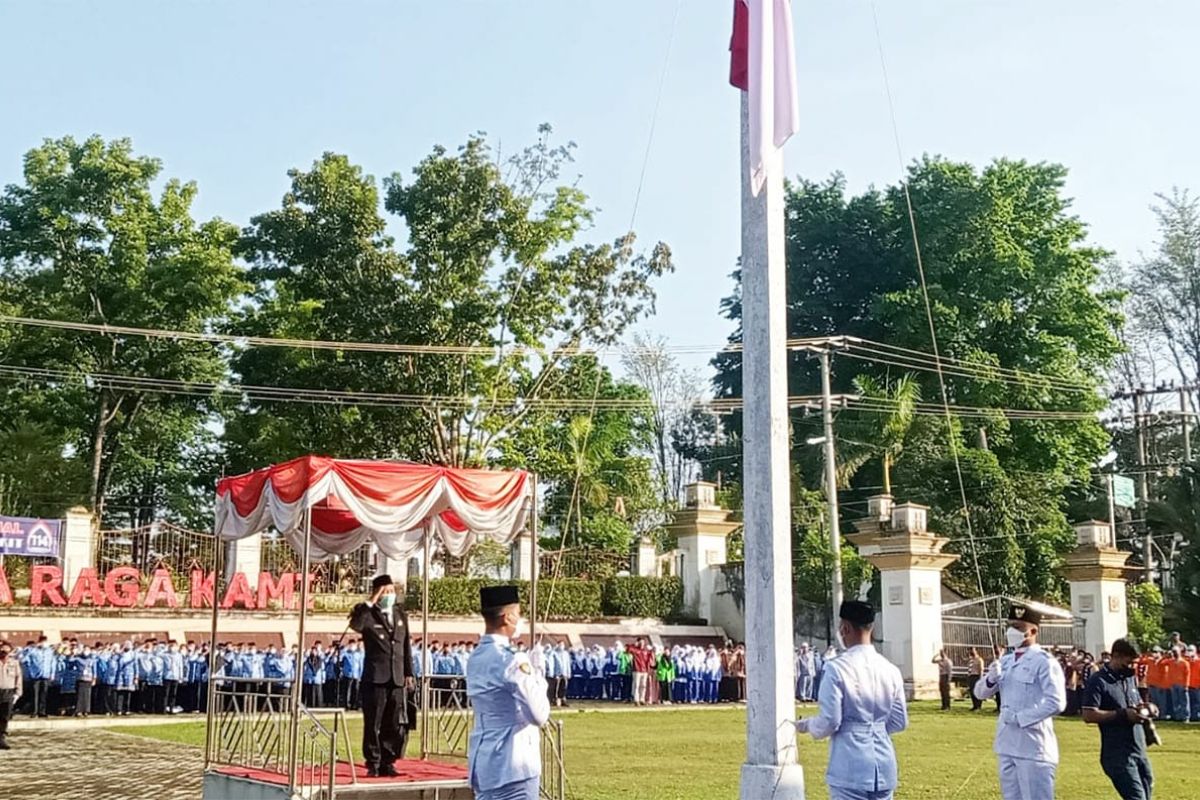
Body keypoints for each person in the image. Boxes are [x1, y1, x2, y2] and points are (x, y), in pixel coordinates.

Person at [796, 601, 908, 800]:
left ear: (845, 628)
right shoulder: (891, 670)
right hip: (883, 762)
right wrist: (875, 728)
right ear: (871, 628)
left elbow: (830, 721)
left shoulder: (836, 668)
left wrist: (808, 725)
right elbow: (899, 721)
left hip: (850, 764)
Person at [973, 604, 1067, 800]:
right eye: (1010, 626)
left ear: (1032, 631)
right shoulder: (1006, 661)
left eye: (1018, 627)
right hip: (1007, 742)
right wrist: (991, 678)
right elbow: (980, 693)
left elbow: (1056, 702)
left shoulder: (1044, 662)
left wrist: (1021, 718)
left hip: (1033, 746)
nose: (1011, 632)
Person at [466, 584, 550, 800]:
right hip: (514, 761)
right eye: (518, 614)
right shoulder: (512, 658)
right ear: (508, 617)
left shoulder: (476, 656)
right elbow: (538, 715)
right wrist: (538, 676)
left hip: (485, 759)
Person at [349, 574, 415, 778]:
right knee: (373, 722)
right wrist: (371, 601)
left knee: (393, 722)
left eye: (391, 591)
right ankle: (373, 762)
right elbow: (356, 625)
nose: (390, 595)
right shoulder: (369, 614)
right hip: (376, 677)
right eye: (385, 592)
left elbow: (405, 646)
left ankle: (388, 761)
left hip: (396, 677)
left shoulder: (399, 614)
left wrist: (408, 673)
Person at [1082, 638, 1156, 800]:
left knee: (1147, 794)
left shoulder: (1129, 678)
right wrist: (1122, 715)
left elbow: (1134, 704)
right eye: (1129, 663)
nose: (1132, 667)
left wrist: (1147, 708)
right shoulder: (1098, 681)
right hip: (1117, 755)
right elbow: (1088, 715)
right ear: (1116, 656)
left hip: (1138, 749)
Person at [0, 641, 22, 750]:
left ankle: (2, 737)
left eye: (6, 650)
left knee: (5, 716)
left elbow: (18, 678)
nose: (4, 652)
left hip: (8, 691)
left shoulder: (14, 663)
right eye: (2, 650)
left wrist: (18, 693)